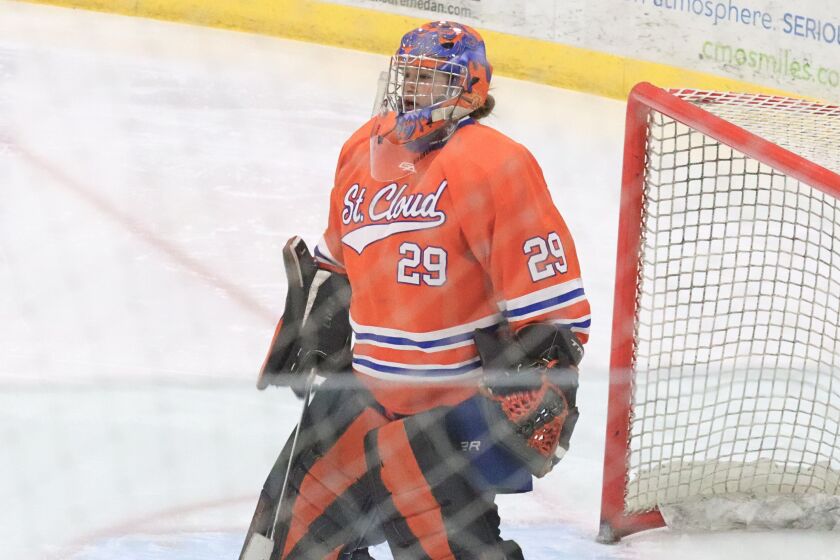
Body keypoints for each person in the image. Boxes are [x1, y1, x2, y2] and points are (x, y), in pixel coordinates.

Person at [241, 20, 591, 560]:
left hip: (443, 418)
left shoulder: (496, 164)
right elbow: (340, 259)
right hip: (360, 398)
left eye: (434, 79)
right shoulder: (363, 147)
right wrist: (317, 315)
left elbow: (553, 310)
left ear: (470, 90)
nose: (414, 91)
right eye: (411, 76)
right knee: (282, 548)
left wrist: (543, 387)